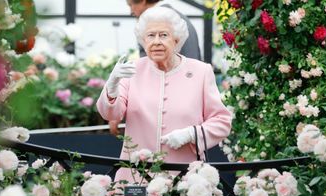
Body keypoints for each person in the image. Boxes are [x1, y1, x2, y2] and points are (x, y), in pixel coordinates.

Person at [96, 6, 231, 182]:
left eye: (163, 35)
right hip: (136, 176)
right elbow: (110, 113)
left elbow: (222, 122)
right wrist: (112, 85)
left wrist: (191, 134)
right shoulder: (132, 70)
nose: (156, 41)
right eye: (151, 36)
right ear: (143, 41)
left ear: (176, 39)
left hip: (185, 177)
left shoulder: (201, 72)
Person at [108, 0, 201, 135]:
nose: (131, 11)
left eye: (131, 5)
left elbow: (147, 74)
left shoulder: (151, 25)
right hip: (188, 111)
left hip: (164, 114)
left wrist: (121, 108)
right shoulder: (182, 19)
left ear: (144, 1)